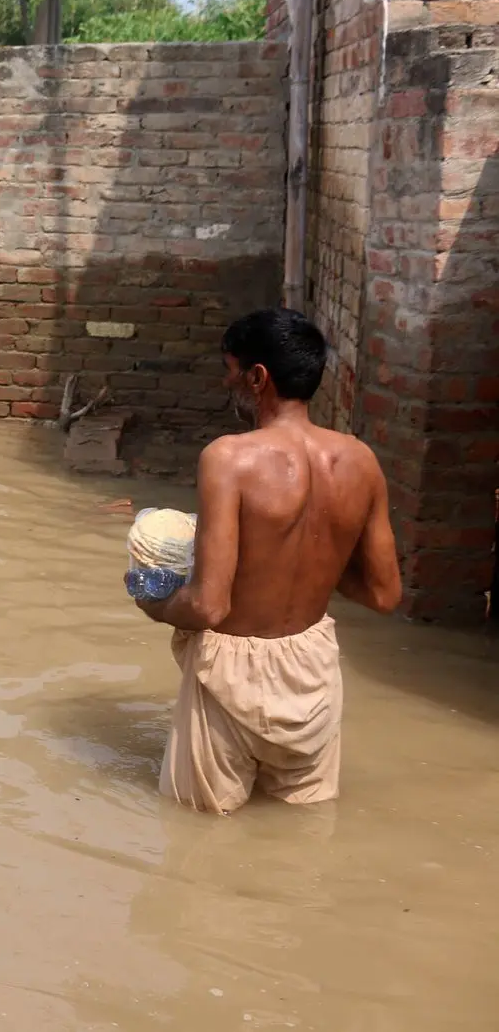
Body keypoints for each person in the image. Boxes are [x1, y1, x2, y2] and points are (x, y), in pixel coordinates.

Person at [132, 308, 402, 814]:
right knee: (304, 832)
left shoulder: (228, 458)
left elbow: (209, 607)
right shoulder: (362, 461)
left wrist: (153, 599)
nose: (226, 381)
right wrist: (316, 558)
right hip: (313, 668)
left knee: (197, 839)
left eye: (230, 369)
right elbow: (385, 595)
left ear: (258, 378)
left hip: (231, 666)